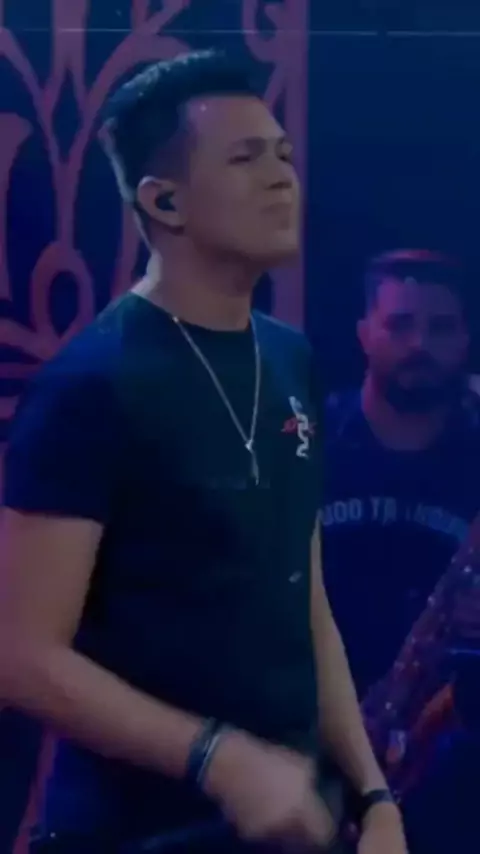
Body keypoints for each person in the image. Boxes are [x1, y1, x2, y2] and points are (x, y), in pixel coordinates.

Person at [0, 52, 405, 853]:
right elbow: (20, 654)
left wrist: (374, 795)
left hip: (292, 828)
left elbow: (306, 603)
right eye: (245, 158)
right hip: (134, 833)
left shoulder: (289, 358)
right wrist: (217, 758)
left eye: (283, 154)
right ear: (164, 200)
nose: (282, 177)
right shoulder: (92, 384)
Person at [322, 250, 480, 699]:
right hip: (305, 714)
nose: (419, 345)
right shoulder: (303, 440)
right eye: (399, 325)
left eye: (441, 328)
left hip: (445, 720)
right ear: (364, 334)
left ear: (465, 340)